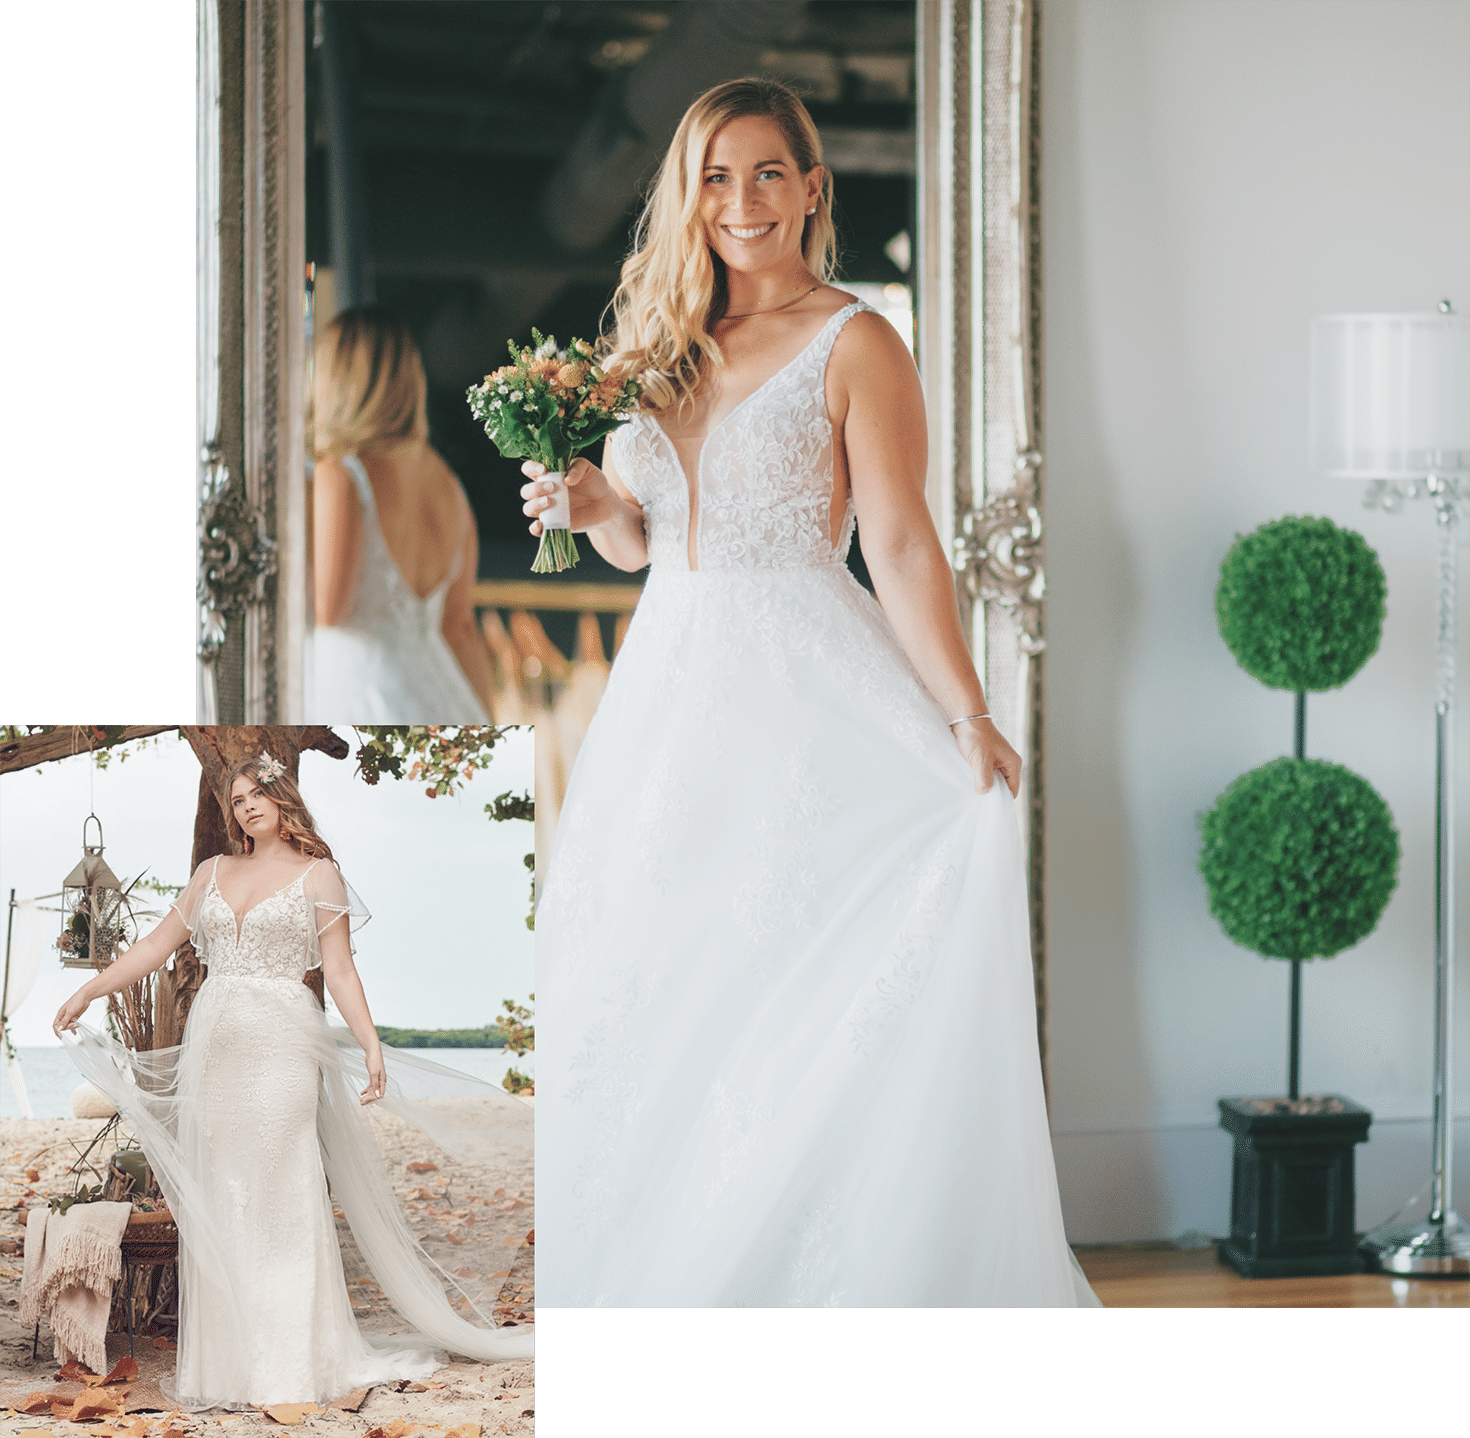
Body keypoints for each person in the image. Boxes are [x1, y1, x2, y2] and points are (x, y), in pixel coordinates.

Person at [528, 78, 1100, 1307]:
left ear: (811, 187)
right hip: (666, 701)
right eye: (717, 178)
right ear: (692, 196)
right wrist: (595, 508)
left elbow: (897, 544)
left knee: (797, 972)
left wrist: (966, 710)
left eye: (768, 173)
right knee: (673, 980)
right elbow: (649, 542)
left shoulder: (859, 341)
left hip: (800, 689)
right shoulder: (662, 347)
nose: (743, 202)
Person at [53, 754, 533, 1407]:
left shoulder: (319, 874)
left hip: (282, 1043)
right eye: (237, 798)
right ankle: (230, 1367)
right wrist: (89, 988)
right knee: (226, 1194)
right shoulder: (211, 873)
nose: (247, 805)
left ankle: (293, 1365)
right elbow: (154, 948)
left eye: (257, 793)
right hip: (217, 1046)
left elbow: (338, 971)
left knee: (282, 1193)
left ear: (282, 797)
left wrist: (369, 1044)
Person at [310, 305, 493, 721]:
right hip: (445, 698)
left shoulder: (341, 473)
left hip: (361, 695)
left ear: (336, 377)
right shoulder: (448, 483)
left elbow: (328, 611)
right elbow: (460, 626)